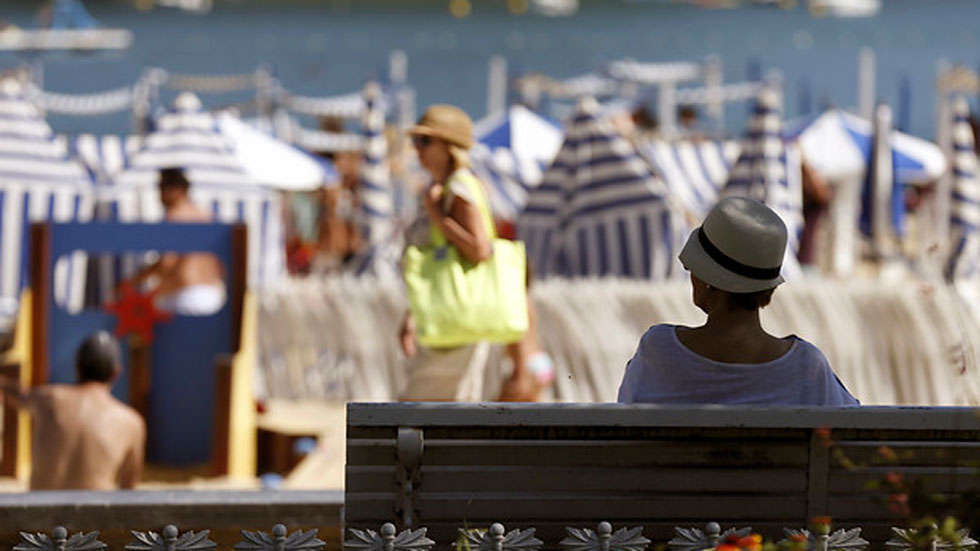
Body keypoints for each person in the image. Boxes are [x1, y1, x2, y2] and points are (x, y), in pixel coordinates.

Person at [617, 196, 858, 406]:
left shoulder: (658, 351)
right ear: (769, 289)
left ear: (707, 281)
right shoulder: (807, 368)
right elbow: (853, 427)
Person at [398, 104, 522, 401]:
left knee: (421, 407)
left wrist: (436, 214)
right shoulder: (448, 186)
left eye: (425, 141)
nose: (417, 149)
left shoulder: (459, 186)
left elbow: (480, 248)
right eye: (416, 141)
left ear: (448, 146)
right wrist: (412, 314)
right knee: (448, 408)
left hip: (455, 323)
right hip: (452, 318)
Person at [0, 331, 145, 489]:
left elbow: (19, 394)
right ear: (116, 373)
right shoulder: (131, 423)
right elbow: (129, 490)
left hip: (41, 504)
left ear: (78, 366)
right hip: (92, 505)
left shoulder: (48, 399)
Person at [127, 167, 225, 316]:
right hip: (213, 295)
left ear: (177, 190)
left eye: (161, 187)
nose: (159, 194)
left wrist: (133, 282)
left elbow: (167, 263)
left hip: (186, 296)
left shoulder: (175, 216)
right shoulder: (205, 215)